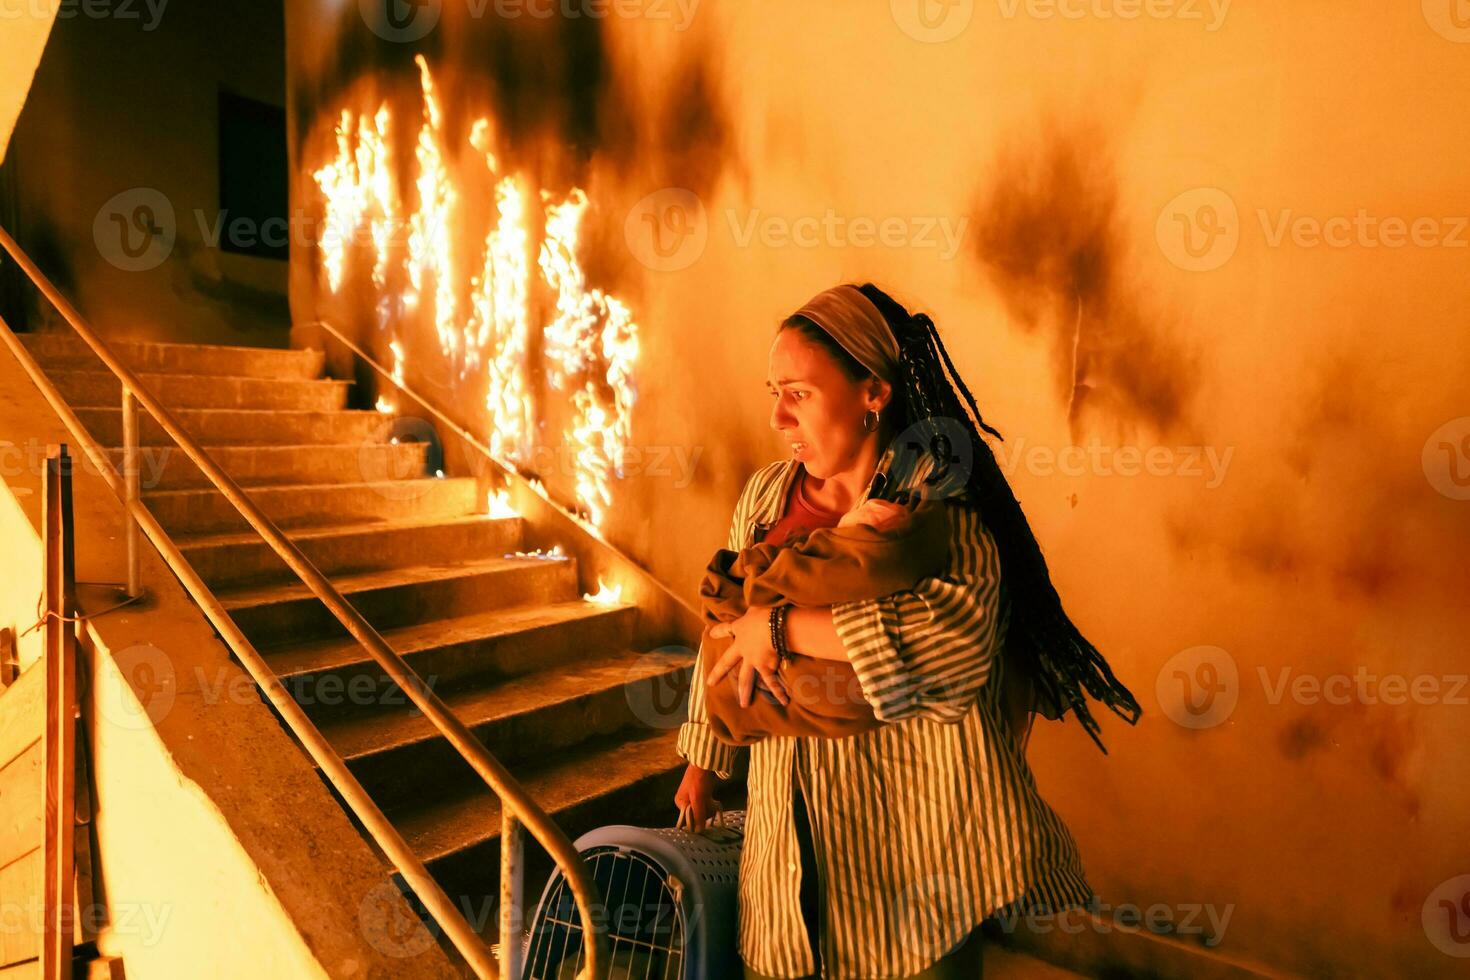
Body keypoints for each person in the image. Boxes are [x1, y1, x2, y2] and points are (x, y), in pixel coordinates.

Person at [673, 283, 1142, 979]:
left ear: (873, 392)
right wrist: (703, 762)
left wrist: (777, 626)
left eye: (798, 393)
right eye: (773, 391)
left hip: (917, 854)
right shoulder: (765, 499)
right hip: (788, 836)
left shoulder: (940, 509)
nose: (776, 415)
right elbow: (722, 629)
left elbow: (948, 654)